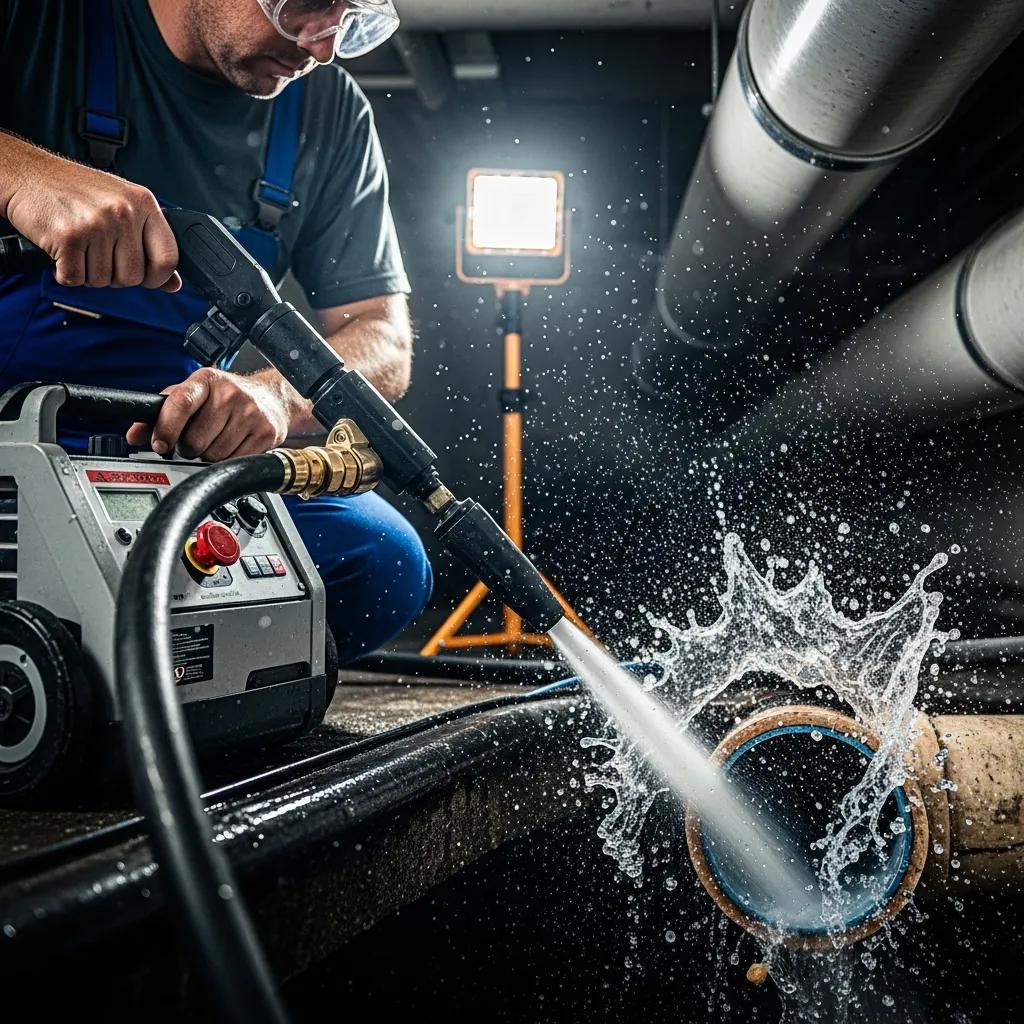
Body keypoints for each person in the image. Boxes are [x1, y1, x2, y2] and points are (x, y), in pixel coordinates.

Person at [0, 0, 432, 663]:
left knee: (380, 560)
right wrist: (21, 174)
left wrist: (273, 398)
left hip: (165, 454)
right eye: (309, 6)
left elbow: (382, 338)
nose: (321, 48)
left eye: (348, 22)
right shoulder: (42, 22)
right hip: (12, 434)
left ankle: (150, 687)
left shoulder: (328, 111)